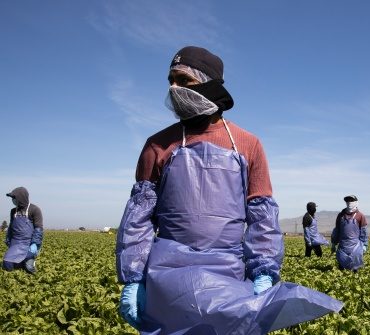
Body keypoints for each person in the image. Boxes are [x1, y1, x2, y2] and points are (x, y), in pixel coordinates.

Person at [115, 46, 342, 334]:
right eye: (170, 80)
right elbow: (139, 219)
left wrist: (263, 272)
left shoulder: (248, 145)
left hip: (229, 275)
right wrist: (134, 278)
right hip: (167, 278)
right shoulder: (157, 146)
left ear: (210, 83)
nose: (174, 88)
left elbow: (262, 218)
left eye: (184, 80)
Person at [3, 187, 43, 274]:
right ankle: (20, 262)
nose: (13, 200)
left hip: (29, 243)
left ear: (21, 197)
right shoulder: (13, 211)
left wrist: (35, 243)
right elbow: (11, 227)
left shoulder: (34, 209)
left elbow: (38, 228)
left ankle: (28, 260)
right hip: (16, 243)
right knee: (7, 264)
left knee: (29, 268)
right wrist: (8, 239)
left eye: (14, 197)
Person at [331, 195, 368, 272]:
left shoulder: (360, 216)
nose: (349, 202)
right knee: (341, 267)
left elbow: (363, 232)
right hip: (343, 246)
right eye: (347, 201)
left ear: (356, 202)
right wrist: (334, 243)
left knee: (355, 268)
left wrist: (364, 245)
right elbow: (336, 230)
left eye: (351, 200)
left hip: (355, 247)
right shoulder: (341, 215)